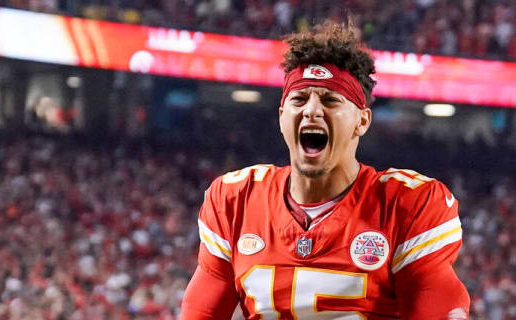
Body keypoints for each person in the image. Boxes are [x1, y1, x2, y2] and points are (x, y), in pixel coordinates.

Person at [181, 21, 470, 320]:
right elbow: (201, 312)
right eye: (299, 99)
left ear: (362, 121)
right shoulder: (235, 199)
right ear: (282, 118)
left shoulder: (408, 204)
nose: (312, 110)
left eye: (330, 100)